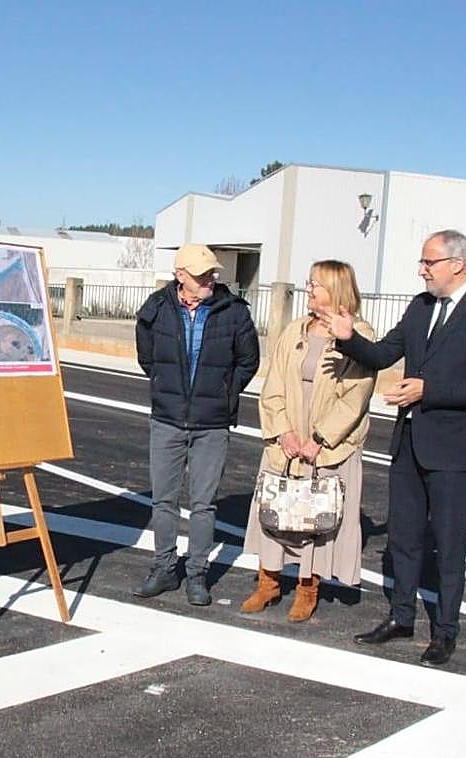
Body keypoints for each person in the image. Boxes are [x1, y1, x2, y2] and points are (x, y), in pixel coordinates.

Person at [320, 230, 466, 666]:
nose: (421, 269)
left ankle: (445, 631)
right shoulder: (421, 307)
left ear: (457, 265)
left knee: (447, 544)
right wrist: (349, 338)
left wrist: (429, 389)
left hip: (451, 451)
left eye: (429, 262)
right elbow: (385, 353)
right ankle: (401, 616)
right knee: (403, 539)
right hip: (409, 443)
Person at [241, 260, 376, 620]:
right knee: (276, 509)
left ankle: (308, 586)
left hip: (328, 443)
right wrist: (283, 430)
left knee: (318, 516)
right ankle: (267, 581)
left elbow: (356, 397)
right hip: (289, 438)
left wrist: (320, 438)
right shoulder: (294, 330)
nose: (309, 289)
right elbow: (273, 385)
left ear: (335, 289)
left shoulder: (359, 335)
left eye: (315, 284)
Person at [133, 243, 260, 606]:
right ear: (180, 276)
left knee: (203, 504)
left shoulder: (233, 311)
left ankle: (197, 573)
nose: (211, 279)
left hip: (212, 424)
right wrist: (165, 387)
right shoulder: (156, 309)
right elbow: (147, 358)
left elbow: (248, 361)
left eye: (212, 273)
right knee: (164, 500)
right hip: (167, 419)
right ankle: (163, 568)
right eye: (202, 274)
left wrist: (224, 393)